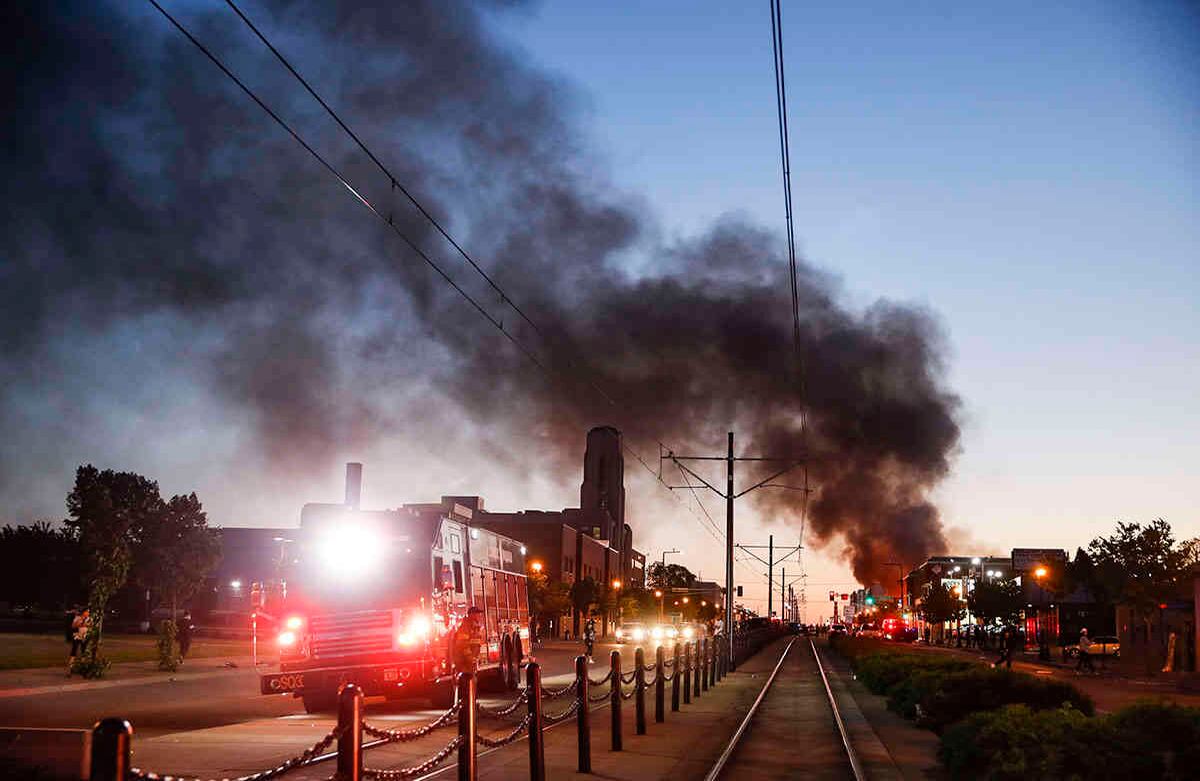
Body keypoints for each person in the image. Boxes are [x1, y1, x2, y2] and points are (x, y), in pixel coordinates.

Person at [451, 607, 484, 674]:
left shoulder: (475, 626)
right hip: (465, 661)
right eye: (477, 613)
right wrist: (470, 658)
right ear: (471, 614)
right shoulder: (465, 627)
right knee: (467, 678)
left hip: (470, 661)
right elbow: (463, 644)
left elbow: (476, 643)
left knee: (472, 679)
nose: (479, 615)